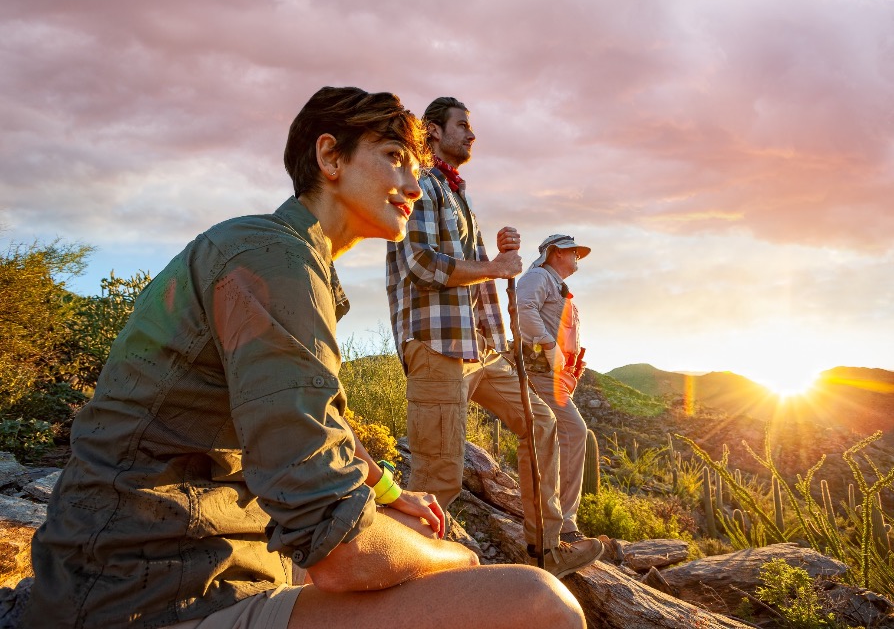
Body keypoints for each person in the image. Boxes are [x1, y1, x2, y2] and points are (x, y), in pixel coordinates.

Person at [24, 87, 585, 629]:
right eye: (394, 158)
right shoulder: (274, 260)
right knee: (539, 606)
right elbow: (342, 554)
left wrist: (389, 493)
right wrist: (457, 560)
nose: (413, 185)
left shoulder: (281, 253)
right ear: (330, 156)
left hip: (188, 565)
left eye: (415, 167)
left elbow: (315, 416)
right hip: (145, 597)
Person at [386, 96, 602, 579]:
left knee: (541, 424)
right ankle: (395, 580)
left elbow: (480, 277)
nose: (472, 134)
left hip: (479, 349)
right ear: (433, 131)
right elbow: (421, 264)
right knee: (438, 476)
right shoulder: (420, 184)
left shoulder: (455, 193)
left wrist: (497, 268)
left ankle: (546, 550)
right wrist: (495, 265)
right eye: (462, 125)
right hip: (437, 345)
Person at [516, 234, 592, 543]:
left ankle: (556, 516)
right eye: (573, 252)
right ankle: (564, 523)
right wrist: (549, 346)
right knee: (574, 431)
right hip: (542, 372)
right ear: (555, 252)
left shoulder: (555, 285)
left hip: (558, 376)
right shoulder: (538, 276)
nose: (577, 257)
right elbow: (523, 309)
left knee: (559, 438)